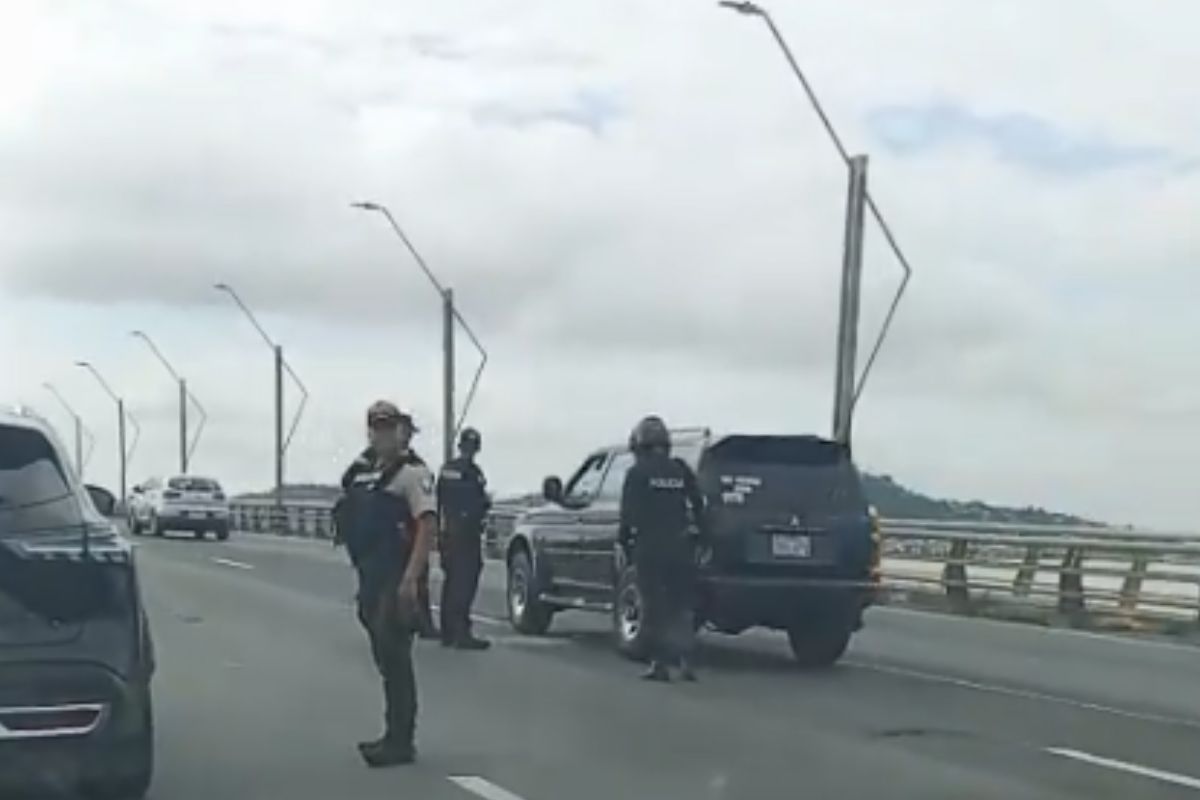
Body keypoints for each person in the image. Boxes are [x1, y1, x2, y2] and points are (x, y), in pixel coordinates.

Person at [334, 400, 437, 767]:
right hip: (371, 575)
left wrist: (411, 579)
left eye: (388, 427)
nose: (382, 434)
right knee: (384, 655)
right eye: (376, 427)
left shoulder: (411, 473)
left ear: (400, 430)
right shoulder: (366, 472)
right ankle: (393, 735)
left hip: (397, 574)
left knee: (395, 657)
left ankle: (400, 740)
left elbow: (426, 525)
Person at [618, 415, 706, 682]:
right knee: (682, 606)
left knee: (655, 607)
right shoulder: (680, 470)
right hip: (680, 547)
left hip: (650, 547)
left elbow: (628, 515)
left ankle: (660, 664)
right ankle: (686, 660)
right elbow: (699, 504)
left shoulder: (636, 474)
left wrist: (624, 545)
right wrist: (700, 536)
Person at [436, 426, 492, 650]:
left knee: (452, 581)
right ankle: (460, 632)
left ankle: (449, 631)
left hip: (449, 531)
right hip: (464, 533)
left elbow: (440, 499)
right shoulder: (472, 472)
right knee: (463, 581)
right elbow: (478, 502)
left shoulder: (447, 470)